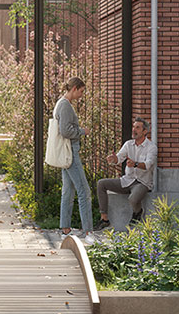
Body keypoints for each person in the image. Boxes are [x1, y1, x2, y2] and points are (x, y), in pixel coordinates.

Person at [95, 118, 156, 229]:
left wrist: (135, 164)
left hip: (142, 182)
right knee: (101, 183)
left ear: (145, 131)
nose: (134, 130)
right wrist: (113, 159)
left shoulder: (151, 147)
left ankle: (137, 212)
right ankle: (104, 219)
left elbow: (148, 165)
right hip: (127, 180)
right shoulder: (128, 144)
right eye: (133, 127)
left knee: (133, 199)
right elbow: (119, 158)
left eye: (137, 127)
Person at [53, 76, 92, 239]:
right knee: (84, 191)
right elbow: (65, 131)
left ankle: (65, 229)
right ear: (74, 88)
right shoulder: (65, 106)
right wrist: (83, 131)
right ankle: (88, 231)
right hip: (70, 153)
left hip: (66, 153)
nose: (82, 95)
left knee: (68, 191)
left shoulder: (60, 103)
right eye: (81, 91)